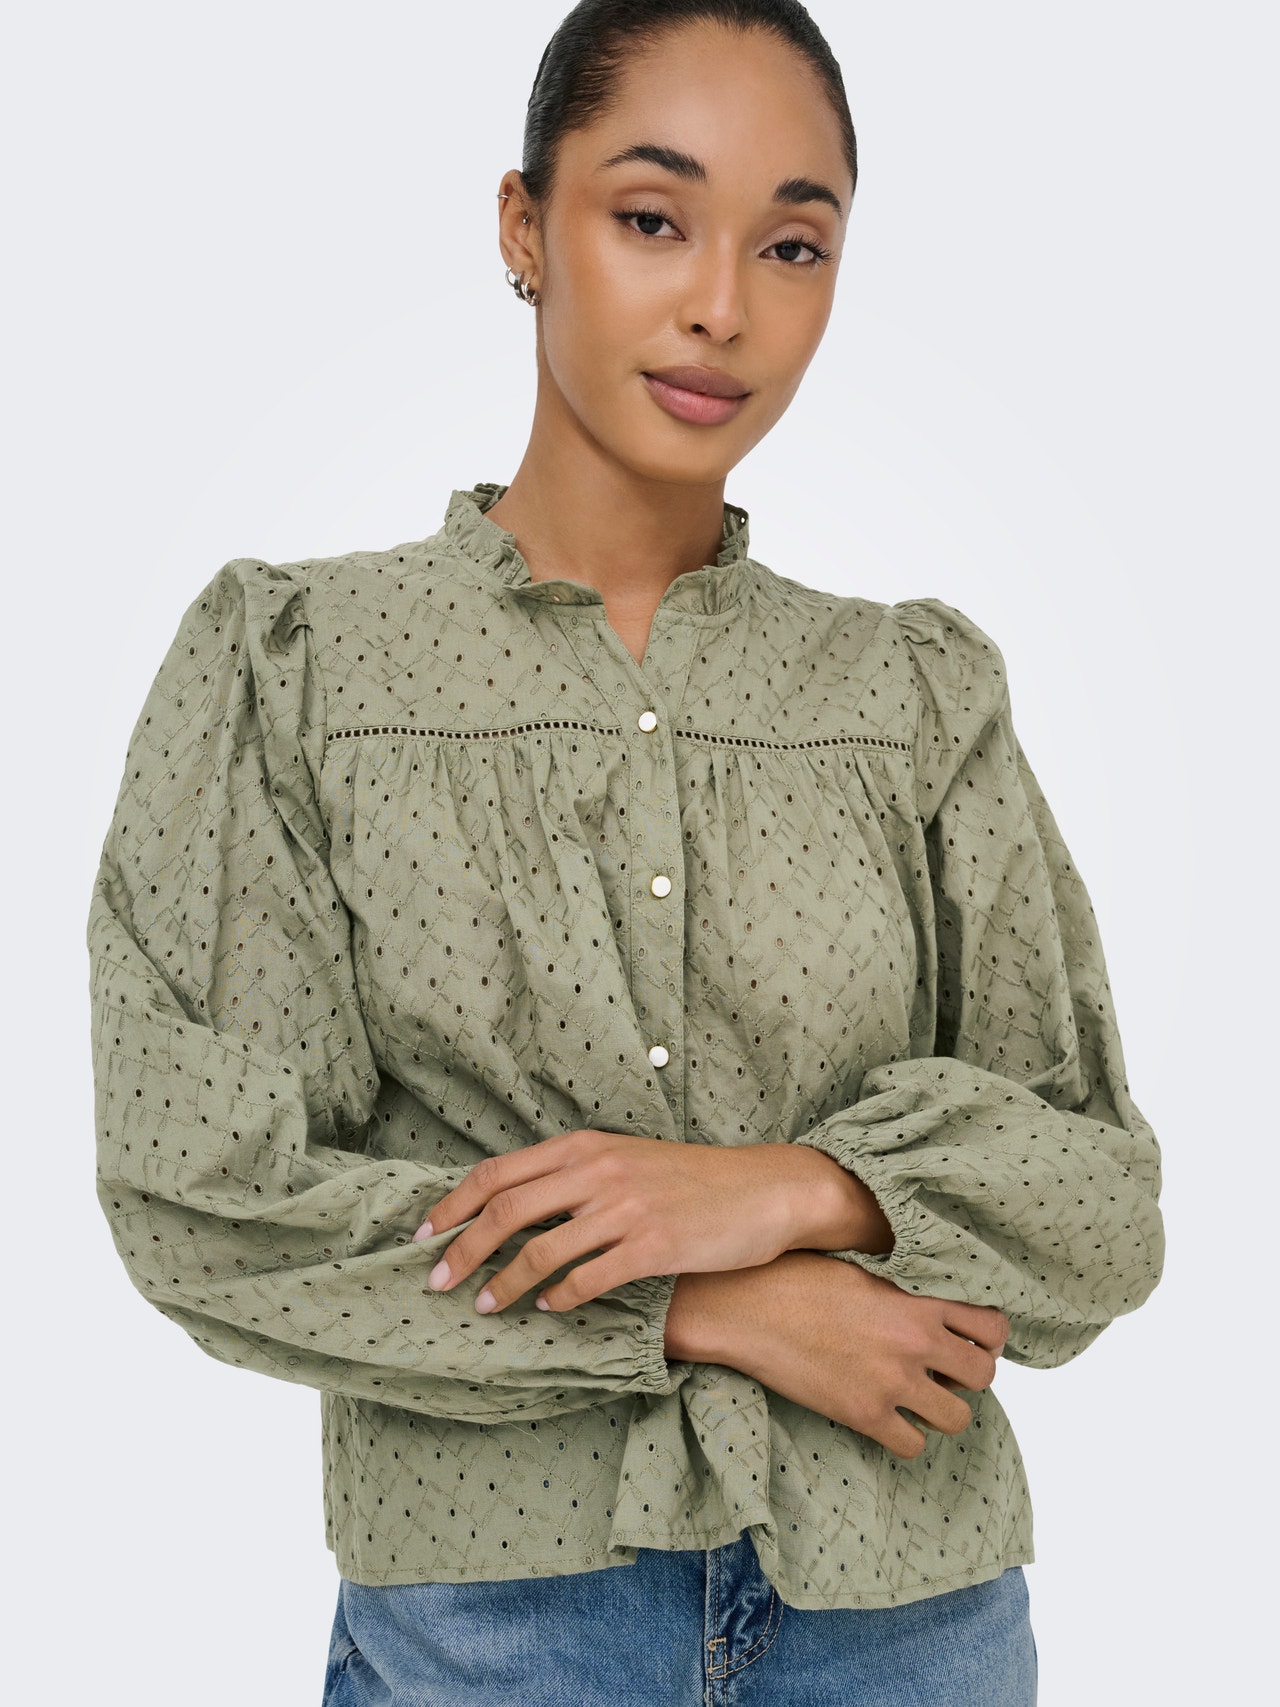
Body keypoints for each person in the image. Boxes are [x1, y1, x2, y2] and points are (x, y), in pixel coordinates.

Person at [86, 2, 1166, 1702]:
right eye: (653, 218)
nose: (724, 306)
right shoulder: (296, 668)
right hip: (500, 1633)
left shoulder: (912, 690)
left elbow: (1096, 1204)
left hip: (915, 1624)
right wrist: (698, 1304)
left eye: (792, 245)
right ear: (525, 228)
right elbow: (208, 1204)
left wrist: (786, 1191)